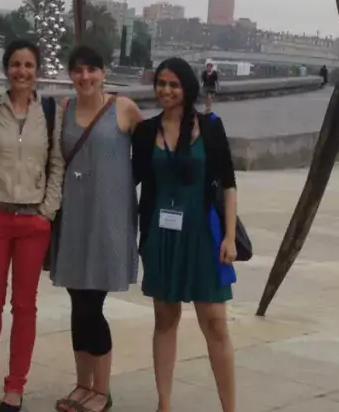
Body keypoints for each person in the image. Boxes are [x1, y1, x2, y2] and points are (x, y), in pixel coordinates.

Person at [0, 39, 65, 412]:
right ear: (7, 69)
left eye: (29, 65)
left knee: (24, 306)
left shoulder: (49, 111)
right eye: (16, 64)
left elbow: (57, 164)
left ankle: (15, 385)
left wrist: (47, 211)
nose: (22, 71)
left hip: (33, 221)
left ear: (38, 71)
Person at [132, 58, 238, 412]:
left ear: (188, 87)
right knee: (165, 320)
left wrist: (230, 237)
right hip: (161, 236)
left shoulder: (209, 127)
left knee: (216, 324)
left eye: (174, 84)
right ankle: (164, 403)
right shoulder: (146, 132)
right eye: (161, 83)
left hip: (203, 235)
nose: (166, 90)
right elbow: (130, 179)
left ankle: (229, 407)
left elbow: (228, 183)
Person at [51, 45, 143, 412]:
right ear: (70, 75)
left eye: (92, 69)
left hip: (109, 222)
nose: (85, 76)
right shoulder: (64, 109)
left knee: (92, 306)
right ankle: (82, 384)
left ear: (103, 73)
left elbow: (152, 156)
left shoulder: (124, 109)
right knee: (77, 304)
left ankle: (102, 391)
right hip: (74, 218)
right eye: (78, 70)